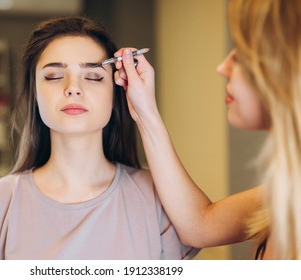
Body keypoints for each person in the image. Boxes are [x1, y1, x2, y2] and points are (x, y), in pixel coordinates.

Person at [0, 16, 199, 260]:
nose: (73, 87)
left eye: (93, 76)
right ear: (35, 94)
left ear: (116, 93)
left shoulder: (160, 198)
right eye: (53, 76)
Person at [114, 0, 301, 259]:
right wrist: (145, 113)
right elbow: (200, 225)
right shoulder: (288, 189)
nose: (222, 67)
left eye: (242, 55)